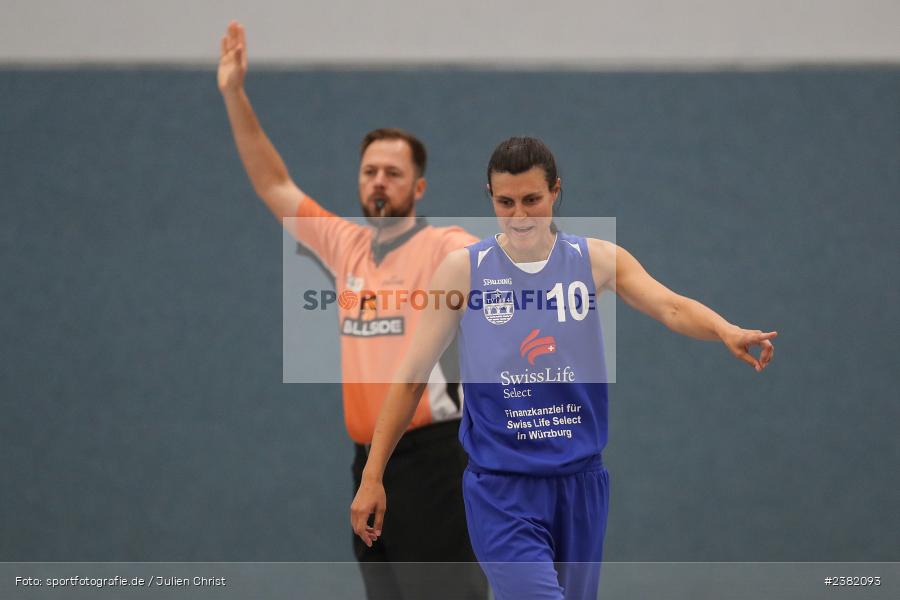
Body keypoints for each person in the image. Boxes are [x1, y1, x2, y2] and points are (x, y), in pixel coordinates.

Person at [351, 137, 777, 599]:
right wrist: (373, 476)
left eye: (532, 200)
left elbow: (670, 306)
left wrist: (724, 330)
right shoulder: (464, 271)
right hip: (501, 490)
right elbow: (411, 378)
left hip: (580, 485)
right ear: (490, 196)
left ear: (556, 190)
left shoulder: (594, 260)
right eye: (505, 202)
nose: (519, 215)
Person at [218, 20, 487, 600]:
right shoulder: (346, 247)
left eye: (393, 173)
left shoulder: (445, 249)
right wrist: (234, 93)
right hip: (368, 463)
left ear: (418, 188)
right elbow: (273, 184)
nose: (379, 182)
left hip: (435, 459)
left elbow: (501, 268)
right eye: (369, 172)